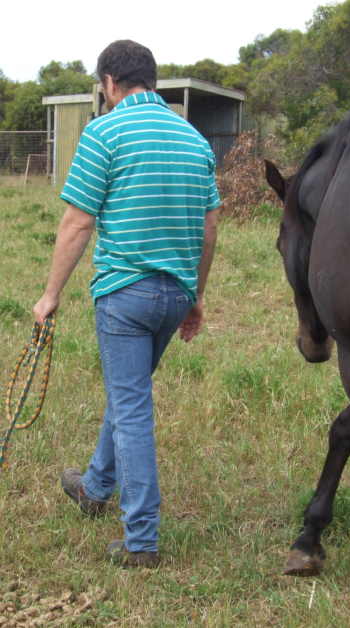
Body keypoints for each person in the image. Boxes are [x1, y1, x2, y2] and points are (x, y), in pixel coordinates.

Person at [33, 40, 221, 568]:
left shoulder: (104, 131)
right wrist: (196, 297)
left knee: (132, 406)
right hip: (174, 293)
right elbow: (209, 227)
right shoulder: (194, 139)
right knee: (129, 392)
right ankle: (94, 488)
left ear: (110, 83)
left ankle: (141, 541)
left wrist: (50, 295)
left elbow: (77, 221)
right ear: (152, 82)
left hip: (125, 294)